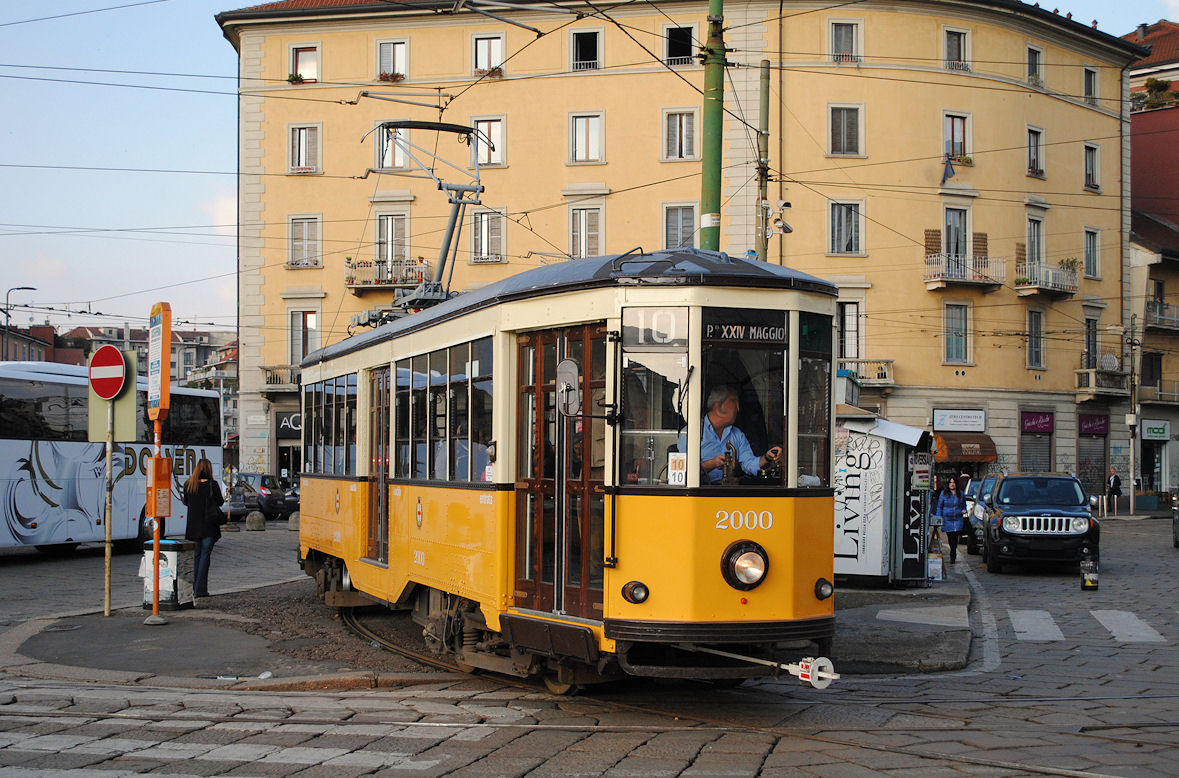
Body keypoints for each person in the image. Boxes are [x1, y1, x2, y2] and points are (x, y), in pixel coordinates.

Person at [696, 386, 781, 483]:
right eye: (733, 401)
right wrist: (711, 464)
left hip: (731, 491)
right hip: (701, 491)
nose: (738, 408)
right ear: (717, 406)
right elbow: (686, 471)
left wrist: (767, 457)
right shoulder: (691, 434)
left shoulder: (737, 434)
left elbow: (748, 464)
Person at [181, 458, 225, 598]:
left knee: (196, 557)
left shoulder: (189, 484)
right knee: (205, 556)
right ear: (209, 469)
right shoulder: (212, 485)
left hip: (193, 527)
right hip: (209, 526)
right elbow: (220, 502)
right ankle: (201, 589)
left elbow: (186, 502)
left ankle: (195, 587)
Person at [935, 476, 967, 563]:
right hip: (947, 520)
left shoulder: (961, 494)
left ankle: (953, 555)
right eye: (950, 482)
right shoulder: (944, 494)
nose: (952, 484)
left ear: (956, 484)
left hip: (958, 519)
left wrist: (964, 510)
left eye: (953, 482)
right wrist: (939, 518)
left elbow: (964, 505)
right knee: (950, 538)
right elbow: (939, 507)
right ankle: (953, 552)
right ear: (948, 484)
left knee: (954, 538)